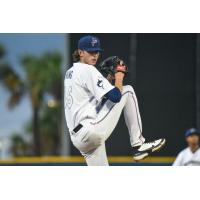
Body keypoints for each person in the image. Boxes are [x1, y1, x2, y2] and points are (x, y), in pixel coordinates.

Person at [64, 35, 166, 166]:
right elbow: (116, 97)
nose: (94, 55)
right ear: (80, 52)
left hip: (79, 139)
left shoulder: (70, 72)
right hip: (90, 131)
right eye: (90, 52)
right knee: (127, 90)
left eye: (97, 52)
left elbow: (93, 101)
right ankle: (138, 145)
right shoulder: (88, 69)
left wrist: (108, 82)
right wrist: (119, 76)